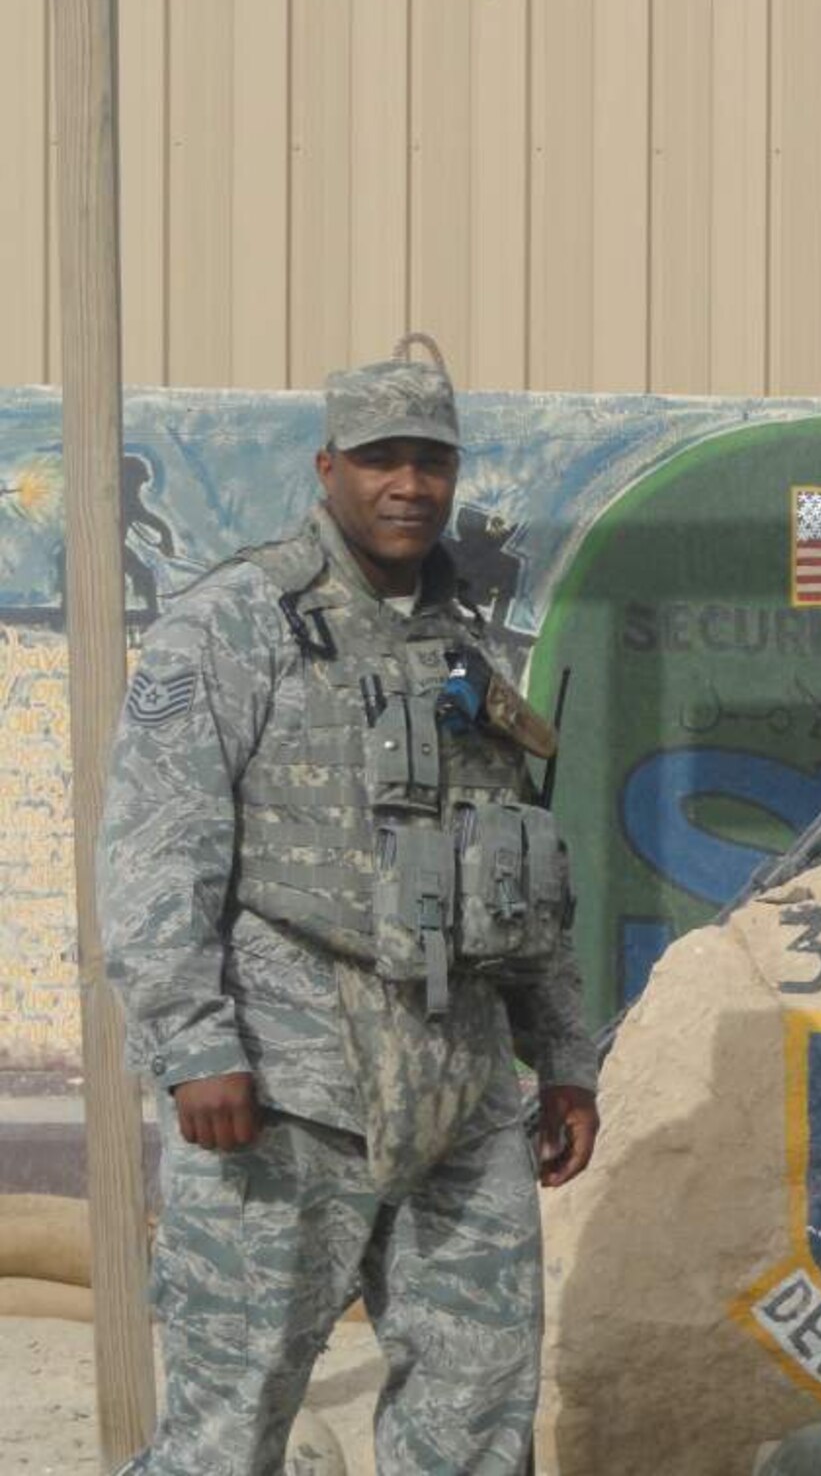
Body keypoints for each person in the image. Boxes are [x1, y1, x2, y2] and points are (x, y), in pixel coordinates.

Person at [100, 345, 599, 1474]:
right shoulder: (237, 623)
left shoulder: (467, 651)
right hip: (286, 1089)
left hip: (464, 1093)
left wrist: (563, 1057)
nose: (408, 485)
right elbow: (154, 848)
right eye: (381, 460)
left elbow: (521, 872)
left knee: (476, 1420)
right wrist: (191, 1047)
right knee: (227, 1427)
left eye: (431, 462)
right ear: (328, 466)